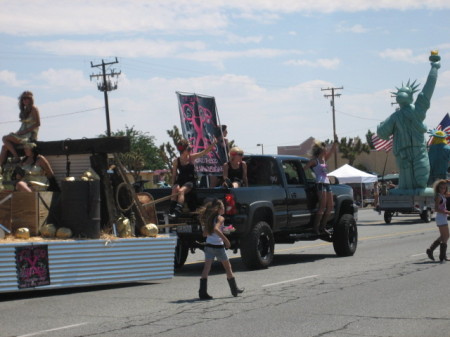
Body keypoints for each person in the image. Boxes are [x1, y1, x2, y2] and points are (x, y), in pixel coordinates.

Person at [377, 52, 440, 192]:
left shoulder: (417, 111)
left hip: (418, 150)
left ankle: (418, 190)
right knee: (406, 181)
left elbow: (427, 91)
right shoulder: (395, 117)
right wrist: (381, 129)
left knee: (421, 177)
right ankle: (405, 189)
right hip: (403, 152)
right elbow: (382, 132)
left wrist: (434, 68)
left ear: (411, 96)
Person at [198, 199, 244, 299]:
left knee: (206, 268)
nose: (224, 208)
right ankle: (234, 289)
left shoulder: (210, 219)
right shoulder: (220, 218)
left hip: (209, 246)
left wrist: (223, 230)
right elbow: (215, 229)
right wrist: (226, 240)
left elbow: (205, 233)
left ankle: (202, 292)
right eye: (223, 206)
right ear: (219, 209)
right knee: (228, 267)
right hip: (218, 247)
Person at [169, 138, 217, 218]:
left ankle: (178, 210)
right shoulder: (176, 161)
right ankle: (171, 210)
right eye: (188, 149)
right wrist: (173, 185)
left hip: (190, 181)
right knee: (175, 189)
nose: (190, 150)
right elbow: (174, 175)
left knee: (181, 191)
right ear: (183, 150)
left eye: (190, 148)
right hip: (181, 180)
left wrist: (213, 144)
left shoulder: (192, 157)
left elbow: (204, 152)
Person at [304, 135, 339, 235]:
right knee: (322, 206)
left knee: (330, 206)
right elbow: (304, 168)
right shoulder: (314, 161)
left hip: (327, 183)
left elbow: (332, 151)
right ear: (321, 151)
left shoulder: (324, 159)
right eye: (325, 150)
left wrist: (335, 142)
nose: (326, 151)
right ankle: (316, 228)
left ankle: (323, 227)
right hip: (320, 183)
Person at [0, 91, 41, 167]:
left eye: (27, 98)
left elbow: (38, 124)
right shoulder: (24, 110)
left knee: (4, 138)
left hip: (29, 136)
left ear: (31, 99)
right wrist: (17, 133)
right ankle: (1, 169)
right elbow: (23, 126)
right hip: (22, 134)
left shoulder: (34, 109)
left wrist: (24, 131)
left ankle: (16, 157)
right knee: (4, 147)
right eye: (23, 99)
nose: (25, 100)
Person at [426, 179, 450, 262]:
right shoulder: (438, 196)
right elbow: (436, 209)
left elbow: (448, 194)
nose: (443, 189)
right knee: (446, 236)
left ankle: (432, 250)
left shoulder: (443, 195)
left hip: (443, 217)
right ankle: (442, 255)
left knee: (444, 236)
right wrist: (447, 212)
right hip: (440, 217)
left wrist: (447, 181)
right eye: (441, 188)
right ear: (438, 188)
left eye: (444, 188)